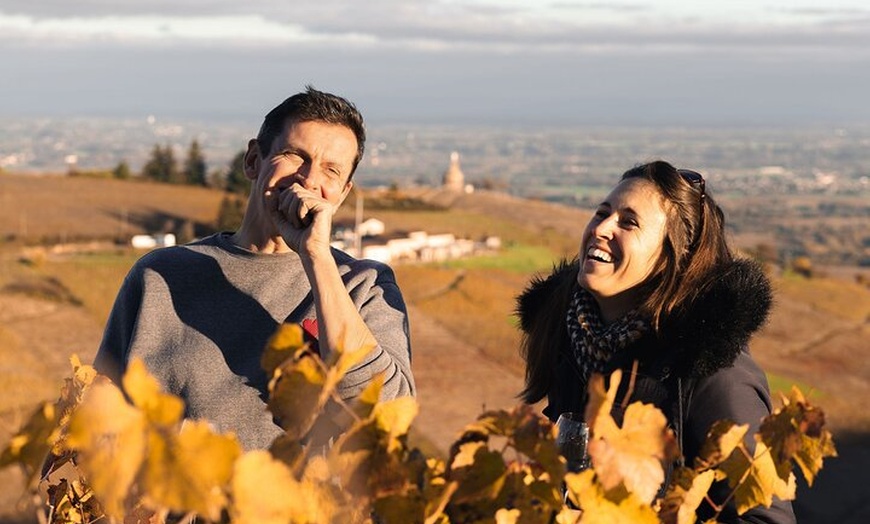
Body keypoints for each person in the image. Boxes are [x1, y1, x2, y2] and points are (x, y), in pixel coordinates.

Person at [94, 87, 415, 450]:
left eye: (331, 170)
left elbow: (385, 417)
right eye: (295, 156)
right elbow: (100, 420)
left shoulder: (365, 287)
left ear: (342, 193)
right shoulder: (160, 275)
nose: (309, 180)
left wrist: (317, 258)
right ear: (253, 160)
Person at [516, 160, 795, 522]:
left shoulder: (714, 375)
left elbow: (764, 518)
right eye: (602, 213)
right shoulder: (575, 342)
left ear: (671, 257)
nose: (601, 228)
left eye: (628, 222)